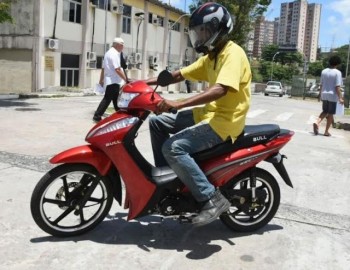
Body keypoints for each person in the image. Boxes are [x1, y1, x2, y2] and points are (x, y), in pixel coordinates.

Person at [144, 3, 251, 226]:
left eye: (204, 31)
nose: (200, 36)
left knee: (173, 147)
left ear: (218, 29)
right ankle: (172, 180)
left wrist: (179, 103)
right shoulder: (211, 57)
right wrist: (139, 83)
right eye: (198, 32)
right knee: (156, 123)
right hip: (206, 115)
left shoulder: (233, 54)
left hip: (224, 123)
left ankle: (212, 198)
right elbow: (178, 75)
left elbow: (220, 89)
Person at [93, 37, 127, 122]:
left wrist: (101, 80)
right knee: (107, 99)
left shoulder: (108, 53)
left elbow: (103, 68)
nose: (123, 47)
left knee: (116, 99)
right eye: (122, 45)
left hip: (111, 81)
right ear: (118, 45)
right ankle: (97, 116)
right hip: (113, 81)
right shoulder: (114, 54)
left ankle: (120, 115)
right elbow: (117, 69)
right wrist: (126, 79)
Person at [313, 55, 344, 136]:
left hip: (324, 94)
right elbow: (337, 87)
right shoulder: (338, 73)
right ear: (337, 63)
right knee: (330, 114)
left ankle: (317, 122)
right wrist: (340, 98)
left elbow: (321, 84)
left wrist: (320, 95)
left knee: (325, 111)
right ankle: (326, 131)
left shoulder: (324, 71)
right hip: (333, 95)